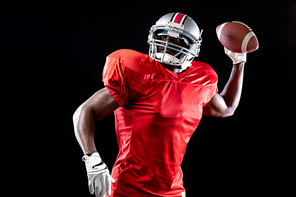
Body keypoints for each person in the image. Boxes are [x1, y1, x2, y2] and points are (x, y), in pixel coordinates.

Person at [73, 12, 247, 197]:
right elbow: (85, 110)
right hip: (127, 188)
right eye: (163, 36)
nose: (167, 44)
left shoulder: (201, 79)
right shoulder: (135, 72)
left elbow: (227, 108)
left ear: (194, 46)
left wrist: (239, 62)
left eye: (178, 40)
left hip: (172, 189)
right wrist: (92, 159)